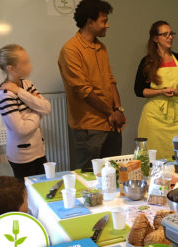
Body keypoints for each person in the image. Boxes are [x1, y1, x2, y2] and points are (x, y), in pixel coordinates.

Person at [58, 0, 126, 170]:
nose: (107, 25)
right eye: (103, 21)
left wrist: (118, 110)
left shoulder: (101, 48)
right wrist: (111, 112)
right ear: (89, 22)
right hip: (89, 127)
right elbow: (83, 91)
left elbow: (111, 81)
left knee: (113, 176)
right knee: (88, 179)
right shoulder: (71, 50)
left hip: (111, 123)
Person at [134, 21, 178, 159]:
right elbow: (139, 90)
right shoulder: (147, 62)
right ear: (155, 38)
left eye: (171, 34)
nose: (170, 37)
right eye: (165, 34)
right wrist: (160, 91)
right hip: (155, 118)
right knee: (155, 157)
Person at [0, 44, 51, 180]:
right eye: (24, 63)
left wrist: (19, 91)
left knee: (42, 189)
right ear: (11, 69)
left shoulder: (27, 84)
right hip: (22, 158)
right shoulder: (4, 95)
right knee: (27, 195)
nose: (29, 65)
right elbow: (21, 130)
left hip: (39, 151)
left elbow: (47, 107)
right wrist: (37, 112)